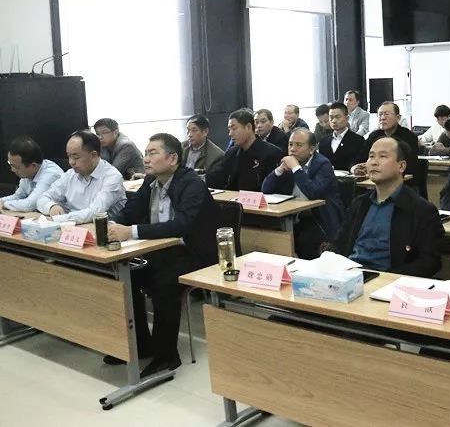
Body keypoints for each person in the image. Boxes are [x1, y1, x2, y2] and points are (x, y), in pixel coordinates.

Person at [105, 133, 218, 376]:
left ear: (173, 158)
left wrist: (131, 232)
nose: (146, 159)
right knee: (126, 277)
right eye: (146, 153)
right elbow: (131, 210)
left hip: (194, 252)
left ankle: (166, 356)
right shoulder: (151, 180)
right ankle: (141, 344)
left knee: (163, 282)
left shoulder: (191, 184)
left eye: (153, 153)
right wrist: (111, 225)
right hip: (160, 249)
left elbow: (181, 225)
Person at [334, 137, 443, 277]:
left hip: (388, 280)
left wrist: (389, 279)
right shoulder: (360, 204)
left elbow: (429, 262)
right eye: (371, 156)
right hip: (349, 276)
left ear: (401, 166)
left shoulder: (422, 210)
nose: (374, 162)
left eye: (383, 156)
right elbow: (339, 244)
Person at [262, 129, 344, 259]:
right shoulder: (288, 163)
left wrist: (296, 168)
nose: (292, 149)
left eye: (299, 145)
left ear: (312, 149)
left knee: (303, 242)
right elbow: (265, 189)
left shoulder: (323, 164)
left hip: (318, 219)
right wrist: (279, 170)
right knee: (267, 238)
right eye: (290, 144)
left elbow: (313, 192)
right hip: (292, 216)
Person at [36, 130, 126, 224]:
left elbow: (95, 213)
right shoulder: (70, 175)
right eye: (68, 156)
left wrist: (60, 219)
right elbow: (42, 198)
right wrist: (51, 207)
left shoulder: (112, 177)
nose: (71, 162)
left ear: (93, 155)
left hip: (102, 228)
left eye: (76, 157)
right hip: (72, 226)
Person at [205, 109, 282, 191]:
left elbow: (273, 189)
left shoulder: (272, 153)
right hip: (233, 198)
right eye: (229, 129)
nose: (230, 133)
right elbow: (216, 178)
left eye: (234, 128)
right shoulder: (232, 153)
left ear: (248, 127)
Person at [352, 102, 419, 187]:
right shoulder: (374, 136)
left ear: (398, 118)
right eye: (380, 115)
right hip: (372, 182)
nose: (382, 118)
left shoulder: (409, 137)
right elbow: (360, 157)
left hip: (401, 184)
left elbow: (411, 165)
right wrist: (354, 168)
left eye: (386, 114)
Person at [0, 137, 63, 212]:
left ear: (33, 166)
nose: (12, 170)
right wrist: (1, 201)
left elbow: (30, 205)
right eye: (10, 164)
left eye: (16, 167)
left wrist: (4, 204)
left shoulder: (51, 174)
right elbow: (19, 196)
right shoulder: (28, 173)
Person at [318, 102, 365, 171]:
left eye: (337, 117)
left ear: (347, 118)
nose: (333, 121)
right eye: (331, 117)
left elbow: (359, 163)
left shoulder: (358, 140)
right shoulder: (323, 142)